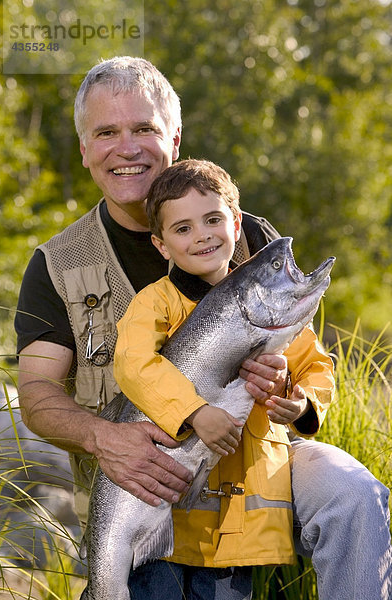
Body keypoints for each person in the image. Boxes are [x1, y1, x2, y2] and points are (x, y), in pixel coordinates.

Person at [14, 56, 391, 600]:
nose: (127, 148)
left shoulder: (244, 233)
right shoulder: (56, 265)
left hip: (253, 463)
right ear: (84, 150)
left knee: (353, 493)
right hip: (142, 485)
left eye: (144, 128)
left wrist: (294, 395)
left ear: (175, 136)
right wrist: (105, 437)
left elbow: (306, 358)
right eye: (106, 133)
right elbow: (36, 394)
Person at [113, 157, 334, 590]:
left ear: (235, 222)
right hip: (165, 525)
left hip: (240, 531)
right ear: (162, 246)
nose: (202, 236)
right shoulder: (153, 303)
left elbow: (317, 367)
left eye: (213, 219)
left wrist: (300, 403)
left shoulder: (278, 309)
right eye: (183, 229)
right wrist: (194, 412)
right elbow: (133, 363)